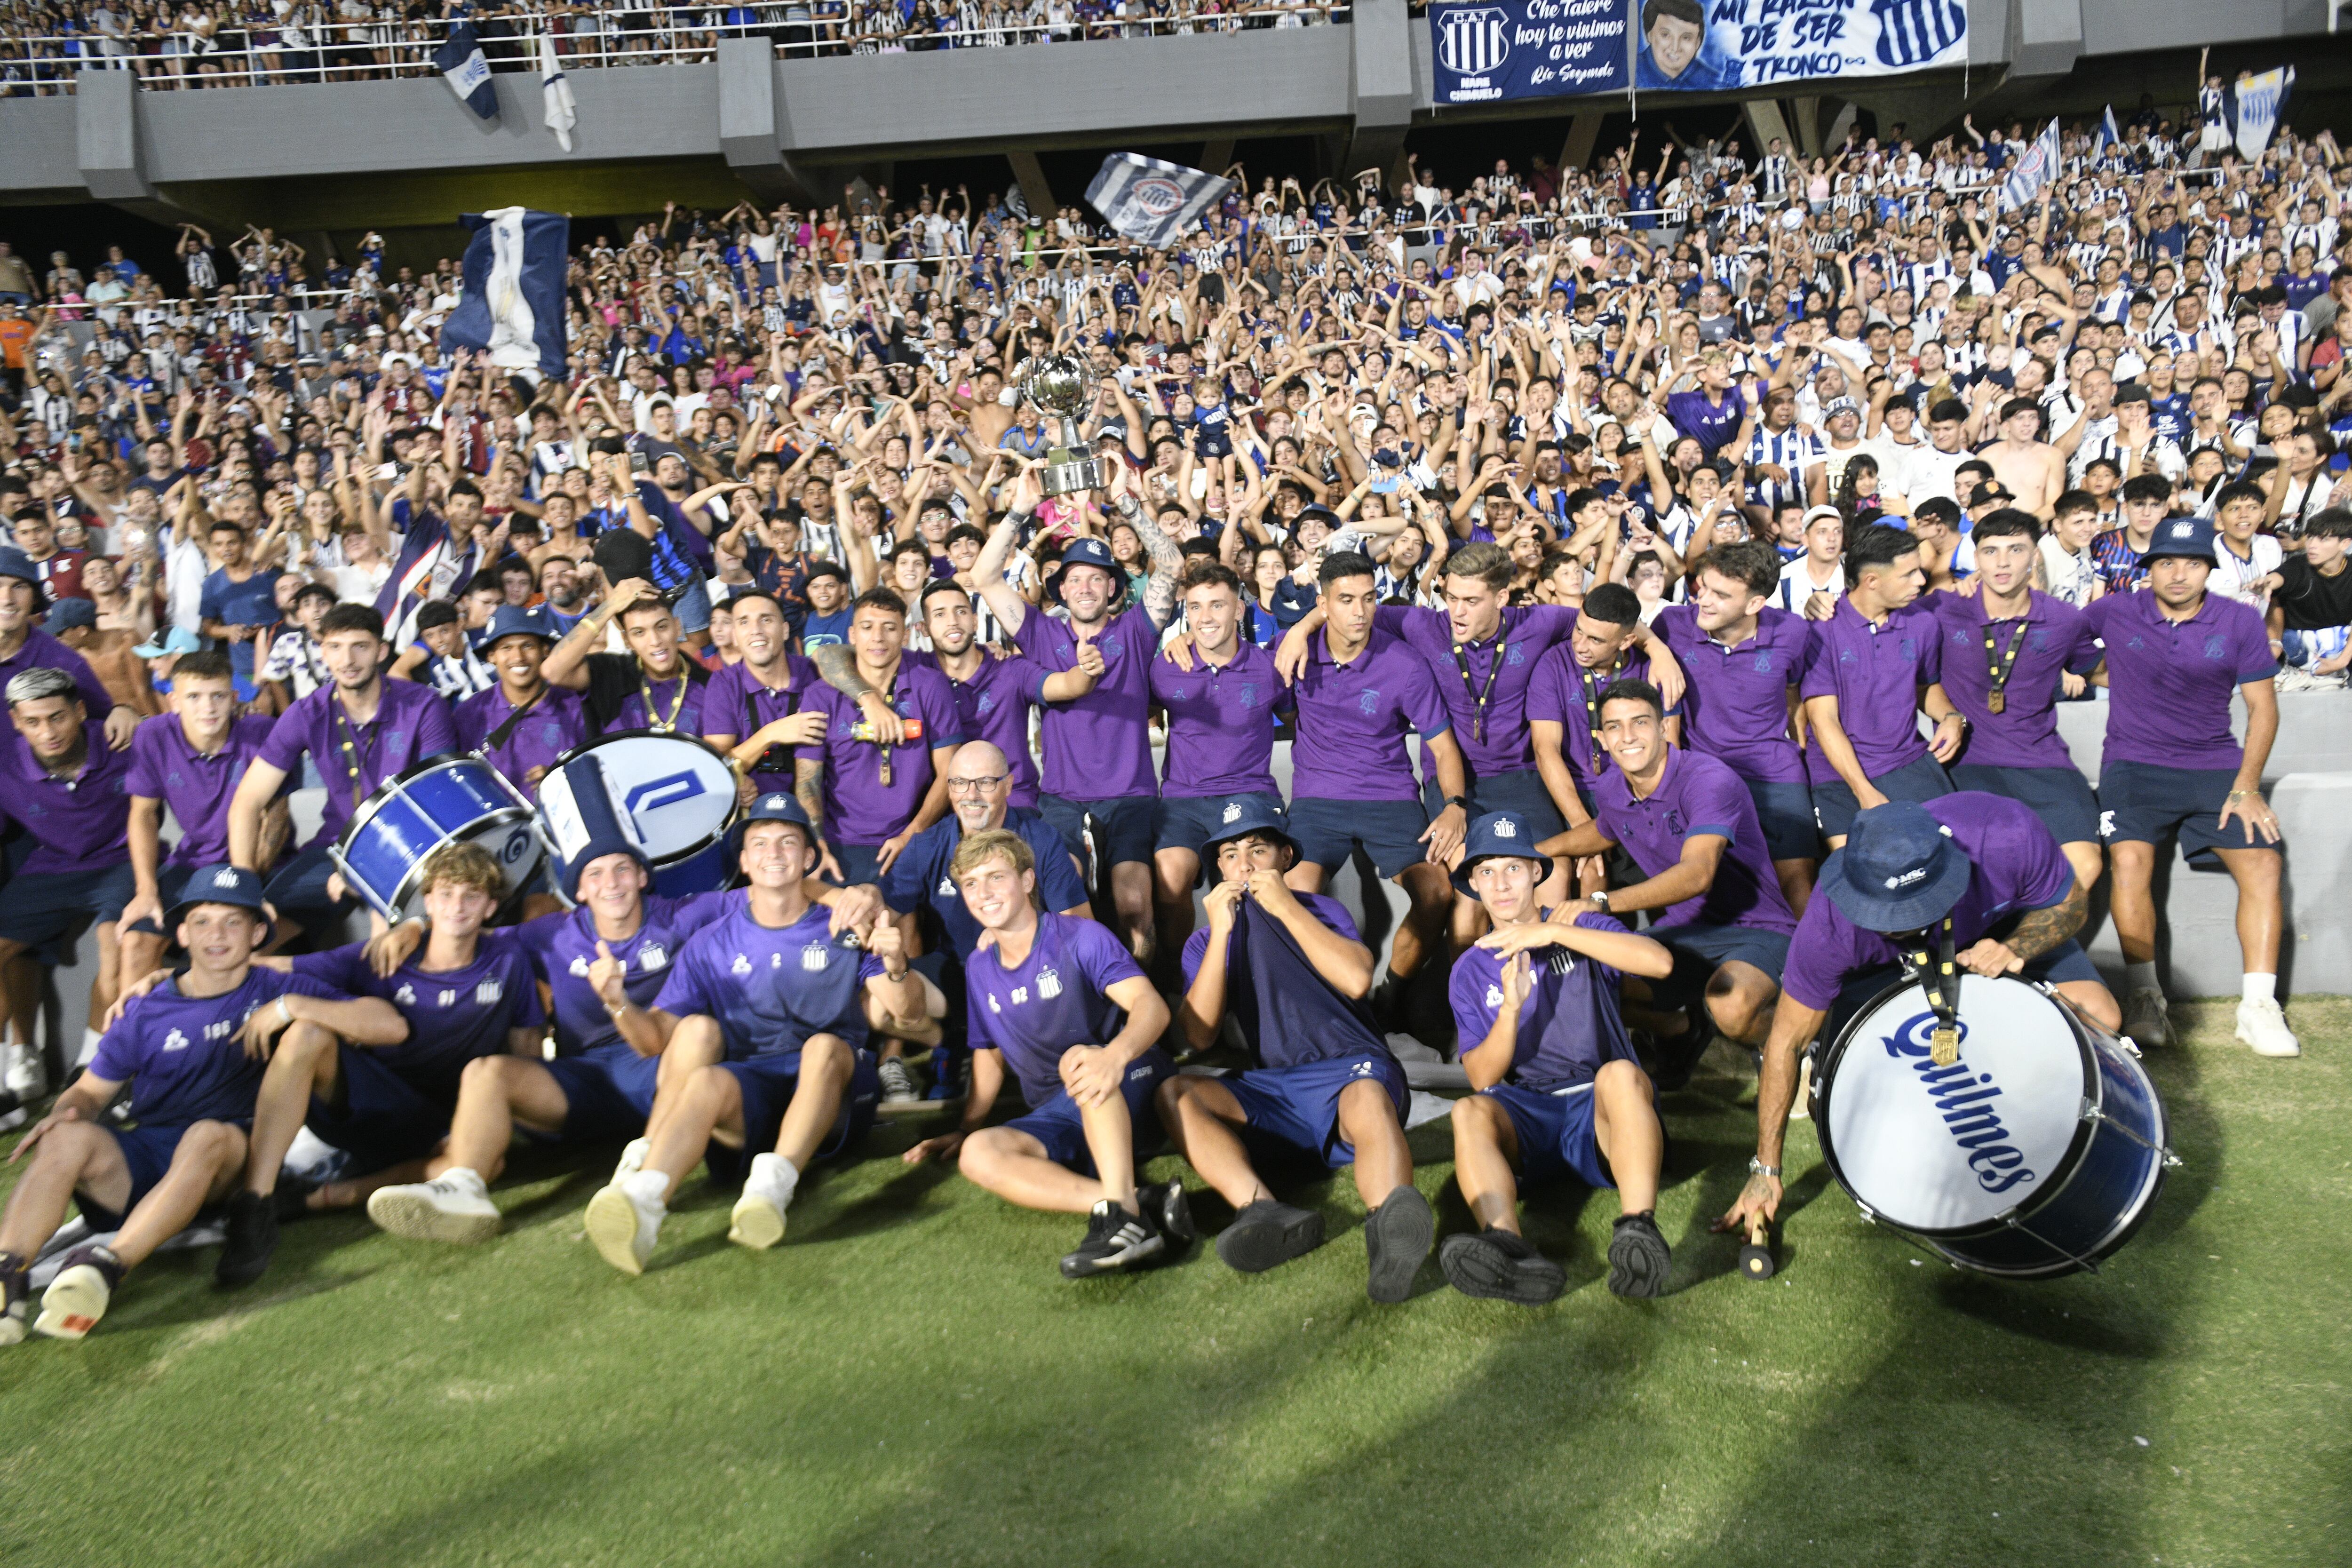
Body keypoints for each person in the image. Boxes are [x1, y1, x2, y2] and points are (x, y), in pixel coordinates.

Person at [0, 868, 381, 1344]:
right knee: (65, 1136)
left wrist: (294, 1010)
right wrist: (67, 1112)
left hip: (228, 1160)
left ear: (259, 932)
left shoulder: (275, 988)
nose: (216, 936)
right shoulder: (145, 1008)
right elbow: (91, 1092)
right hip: (147, 1156)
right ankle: (7, 1278)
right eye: (202, 922)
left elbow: (383, 1021)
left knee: (207, 1134)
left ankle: (105, 1267)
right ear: (181, 932)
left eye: (232, 923)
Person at [1718, 797, 2121, 1238]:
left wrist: (2016, 948)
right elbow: (1786, 1042)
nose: (1902, 923)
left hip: (2003, 934)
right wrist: (1766, 1167)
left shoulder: (2006, 833)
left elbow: (2073, 905)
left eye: (1916, 910)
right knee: (1840, 1112)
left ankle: (2024, 1109)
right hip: (1885, 970)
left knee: (2101, 1017)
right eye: (1887, 917)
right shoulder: (1831, 924)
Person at [579, 796, 916, 1274]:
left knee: (822, 1047)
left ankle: (771, 1190)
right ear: (742, 861)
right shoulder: (710, 942)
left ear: (808, 858)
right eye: (758, 844)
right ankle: (644, 1205)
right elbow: (655, 1042)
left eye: (786, 842)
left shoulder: (845, 925)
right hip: (752, 1091)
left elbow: (906, 1013)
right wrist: (618, 1001)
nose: (772, 853)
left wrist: (897, 964)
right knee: (704, 1080)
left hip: (835, 1093)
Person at [359, 841, 739, 1244]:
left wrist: (818, 893)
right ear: (579, 890)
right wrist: (415, 925)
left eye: (622, 869)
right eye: (595, 874)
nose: (610, 883)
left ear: (643, 877)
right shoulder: (554, 932)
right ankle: (463, 1189)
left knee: (699, 1030)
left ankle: (645, 1167)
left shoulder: (680, 914)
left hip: (661, 1077)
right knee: (485, 1072)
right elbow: (471, 929)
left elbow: (767, 895)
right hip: (583, 1082)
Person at [208, 842, 539, 1285]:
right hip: (370, 1098)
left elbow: (527, 1046)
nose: (457, 907)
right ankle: (257, 1198)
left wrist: (522, 1123)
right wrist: (180, 977)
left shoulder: (508, 958)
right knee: (306, 1031)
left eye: (471, 896)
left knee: (480, 1164)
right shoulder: (384, 955)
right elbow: (275, 965)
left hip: (445, 1119)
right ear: (428, 900)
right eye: (445, 894)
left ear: (491, 907)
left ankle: (319, 1196)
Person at [1156, 799, 1435, 1303]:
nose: (1243, 864)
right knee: (1177, 1092)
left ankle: (1390, 1228)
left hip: (1352, 1070)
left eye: (1257, 850)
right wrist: (1220, 931)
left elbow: (1354, 978)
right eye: (1229, 855)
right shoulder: (1204, 941)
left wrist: (1284, 905)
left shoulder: (1317, 908)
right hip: (1279, 1091)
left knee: (1368, 1099)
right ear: (1217, 870)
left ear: (1285, 857)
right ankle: (1263, 1210)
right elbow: (1197, 1037)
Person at [902, 828, 1187, 1279]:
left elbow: (1150, 1006)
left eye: (996, 877)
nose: (984, 893)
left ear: (1028, 881)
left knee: (1080, 1058)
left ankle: (1123, 1222)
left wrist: (1113, 1056)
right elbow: (989, 1053)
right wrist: (966, 1128)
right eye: (971, 884)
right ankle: (1133, 1202)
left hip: (1128, 1080)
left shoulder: (1079, 937)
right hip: (1059, 1111)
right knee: (979, 1151)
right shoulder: (979, 966)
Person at [1443, 810, 1677, 1303]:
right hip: (1529, 1115)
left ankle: (1637, 1231)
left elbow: (1659, 963)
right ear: (1473, 884)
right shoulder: (1470, 969)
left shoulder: (1576, 925)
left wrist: (1550, 933)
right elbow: (1480, 1077)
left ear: (1535, 872)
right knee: (1468, 1112)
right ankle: (1507, 1245)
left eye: (1512, 868)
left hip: (1601, 1111)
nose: (1500, 884)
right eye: (1486, 871)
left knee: (1621, 1073)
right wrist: (1510, 1009)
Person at [2087, 516, 2297, 1058]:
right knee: (2129, 863)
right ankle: (2145, 998)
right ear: (2147, 569)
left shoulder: (2238, 621)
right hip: (2133, 765)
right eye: (2164, 562)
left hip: (2215, 767)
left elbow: (2262, 710)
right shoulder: (2114, 610)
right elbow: (2053, 638)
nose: (2177, 574)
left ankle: (2257, 1007)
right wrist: (2102, 670)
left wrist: (2246, 786)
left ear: (2209, 568)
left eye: (2191, 563)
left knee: (2264, 863)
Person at [972, 468, 1184, 963]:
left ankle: (1145, 1000)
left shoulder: (1135, 630)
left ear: (1112, 588)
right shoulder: (1041, 633)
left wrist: (1126, 504)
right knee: (1055, 898)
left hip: (1129, 796)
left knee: (1135, 905)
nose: (1085, 587)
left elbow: (1172, 567)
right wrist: (1021, 510)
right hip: (1062, 799)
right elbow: (982, 577)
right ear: (1060, 589)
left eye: (1096, 578)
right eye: (1074, 579)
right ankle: (1077, 1002)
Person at [1539, 679, 1796, 1078]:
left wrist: (1602, 902)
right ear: (1602, 739)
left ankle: (1804, 1041)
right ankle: (1682, 1027)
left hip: (1757, 927)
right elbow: (1608, 828)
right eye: (1614, 727)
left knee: (1731, 1005)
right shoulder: (1611, 786)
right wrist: (1537, 852)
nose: (1628, 737)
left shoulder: (1708, 779)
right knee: (1587, 988)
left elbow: (1698, 874)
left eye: (1640, 722)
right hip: (1685, 930)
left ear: (1662, 727)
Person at [1270, 551, 1471, 1007]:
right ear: (1321, 604)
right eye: (1345, 600)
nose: (1359, 611)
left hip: (1390, 798)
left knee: (1436, 891)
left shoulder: (1404, 663)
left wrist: (1454, 806)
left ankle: (1391, 999)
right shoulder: (1294, 650)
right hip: (1318, 801)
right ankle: (1321, 1010)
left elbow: (1442, 748)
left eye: (1368, 598)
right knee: (1293, 897)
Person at [878, 740, 1092, 1105]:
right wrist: (854, 902)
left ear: (1009, 786)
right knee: (877, 998)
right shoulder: (928, 845)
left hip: (1023, 974)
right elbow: (884, 909)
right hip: (957, 975)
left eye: (986, 783)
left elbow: (1080, 928)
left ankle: (996, 1052)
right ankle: (950, 1043)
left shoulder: (1040, 839)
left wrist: (1019, 939)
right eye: (960, 783)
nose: (971, 794)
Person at [228, 603, 456, 925]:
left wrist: (368, 865)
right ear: (323, 652)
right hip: (337, 845)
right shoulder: (306, 712)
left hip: (411, 845)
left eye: (360, 647)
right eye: (335, 647)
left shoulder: (424, 704)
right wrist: (244, 890)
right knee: (257, 921)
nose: (347, 661)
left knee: (387, 913)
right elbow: (248, 802)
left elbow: (439, 798)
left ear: (381, 651)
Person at [1929, 510, 2107, 891]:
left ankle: (2013, 951)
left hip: (2042, 762)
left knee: (2086, 864)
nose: (2003, 562)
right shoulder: (1942, 610)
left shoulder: (2065, 619)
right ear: (1976, 559)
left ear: (2035, 556)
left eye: (2016, 549)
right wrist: (1819, 605)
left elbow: (2106, 671)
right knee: (1978, 872)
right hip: (1967, 764)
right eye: (1990, 551)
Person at [1650, 541, 1820, 912]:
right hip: (1707, 773)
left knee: (1798, 880)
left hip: (1776, 772)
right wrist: (1656, 649)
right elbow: (1617, 617)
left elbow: (1796, 692)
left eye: (1721, 595)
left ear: (1755, 604)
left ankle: (1808, 967)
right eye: (1703, 587)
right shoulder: (1672, 625)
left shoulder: (1793, 632)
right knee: (1706, 881)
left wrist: (1801, 744)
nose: (1704, 601)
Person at [119, 650, 286, 1015]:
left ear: (234, 697)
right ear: (174, 700)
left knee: (257, 932)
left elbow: (277, 816)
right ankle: (126, 1055)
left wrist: (247, 886)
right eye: (194, 697)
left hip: (262, 865)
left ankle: (231, 1039)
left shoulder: (261, 731)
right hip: (194, 861)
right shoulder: (153, 735)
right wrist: (146, 888)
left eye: (218, 696)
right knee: (136, 941)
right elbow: (143, 814)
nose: (207, 707)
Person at [0, 664, 137, 1106]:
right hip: (51, 869)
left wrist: (129, 708)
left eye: (57, 717)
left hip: (123, 860)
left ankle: (91, 1066)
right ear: (17, 723)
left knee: (116, 941)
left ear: (80, 711)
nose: (49, 731)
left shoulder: (122, 741)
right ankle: (13, 1068)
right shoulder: (5, 766)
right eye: (34, 722)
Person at [1148, 564, 1285, 980]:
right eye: (1195, 607)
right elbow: (1146, 715)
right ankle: (1179, 982)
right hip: (1183, 799)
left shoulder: (1271, 667)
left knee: (1254, 881)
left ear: (1239, 610)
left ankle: (1258, 984)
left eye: (1217, 605)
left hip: (1250, 795)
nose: (1205, 617)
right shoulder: (1165, 666)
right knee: (1170, 879)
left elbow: (1299, 719)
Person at [1802, 523, 1964, 847]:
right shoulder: (1821, 630)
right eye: (1909, 574)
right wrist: (1864, 791)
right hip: (1840, 776)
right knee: (1860, 872)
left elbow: (1925, 688)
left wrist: (1950, 717)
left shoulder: (1923, 623)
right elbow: (1824, 720)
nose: (1921, 580)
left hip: (1908, 763)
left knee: (1950, 858)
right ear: (1872, 581)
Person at [793, 588, 966, 885]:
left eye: (890, 628)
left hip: (918, 833)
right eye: (867, 627)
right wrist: (817, 842)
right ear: (851, 634)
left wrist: (911, 834)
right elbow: (808, 780)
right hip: (845, 841)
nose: (878, 638)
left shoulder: (931, 685)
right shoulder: (820, 695)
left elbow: (948, 773)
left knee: (916, 924)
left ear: (905, 635)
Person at [540, 576, 712, 736]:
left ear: (678, 627)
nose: (655, 641)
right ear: (626, 640)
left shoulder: (710, 685)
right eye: (639, 633)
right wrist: (610, 606)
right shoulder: (610, 672)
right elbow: (552, 672)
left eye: (661, 627)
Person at [700, 587, 825, 804]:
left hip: (816, 809)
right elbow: (716, 766)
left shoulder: (815, 672)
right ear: (736, 638)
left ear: (785, 630)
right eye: (744, 622)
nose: (756, 630)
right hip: (755, 815)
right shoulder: (724, 684)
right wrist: (770, 734)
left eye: (766, 620)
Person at [454, 604, 588, 794]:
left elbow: (601, 770)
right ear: (492, 656)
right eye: (506, 648)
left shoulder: (574, 705)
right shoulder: (469, 713)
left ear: (544, 650)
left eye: (527, 646)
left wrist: (567, 778)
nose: (518, 657)